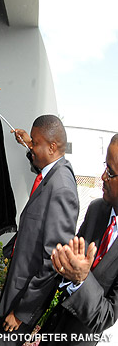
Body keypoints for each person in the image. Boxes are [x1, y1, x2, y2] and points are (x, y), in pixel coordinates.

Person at [0, 115, 79, 345]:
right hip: (17, 286)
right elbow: (36, 160)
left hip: (24, 298)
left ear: (52, 146)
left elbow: (53, 262)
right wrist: (28, 143)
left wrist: (21, 314)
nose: (32, 148)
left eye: (36, 143)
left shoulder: (61, 189)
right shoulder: (52, 171)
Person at [40, 134, 118, 346]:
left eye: (110, 172)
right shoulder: (96, 210)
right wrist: (64, 265)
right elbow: (71, 263)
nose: (102, 176)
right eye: (105, 166)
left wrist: (82, 279)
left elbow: (106, 316)